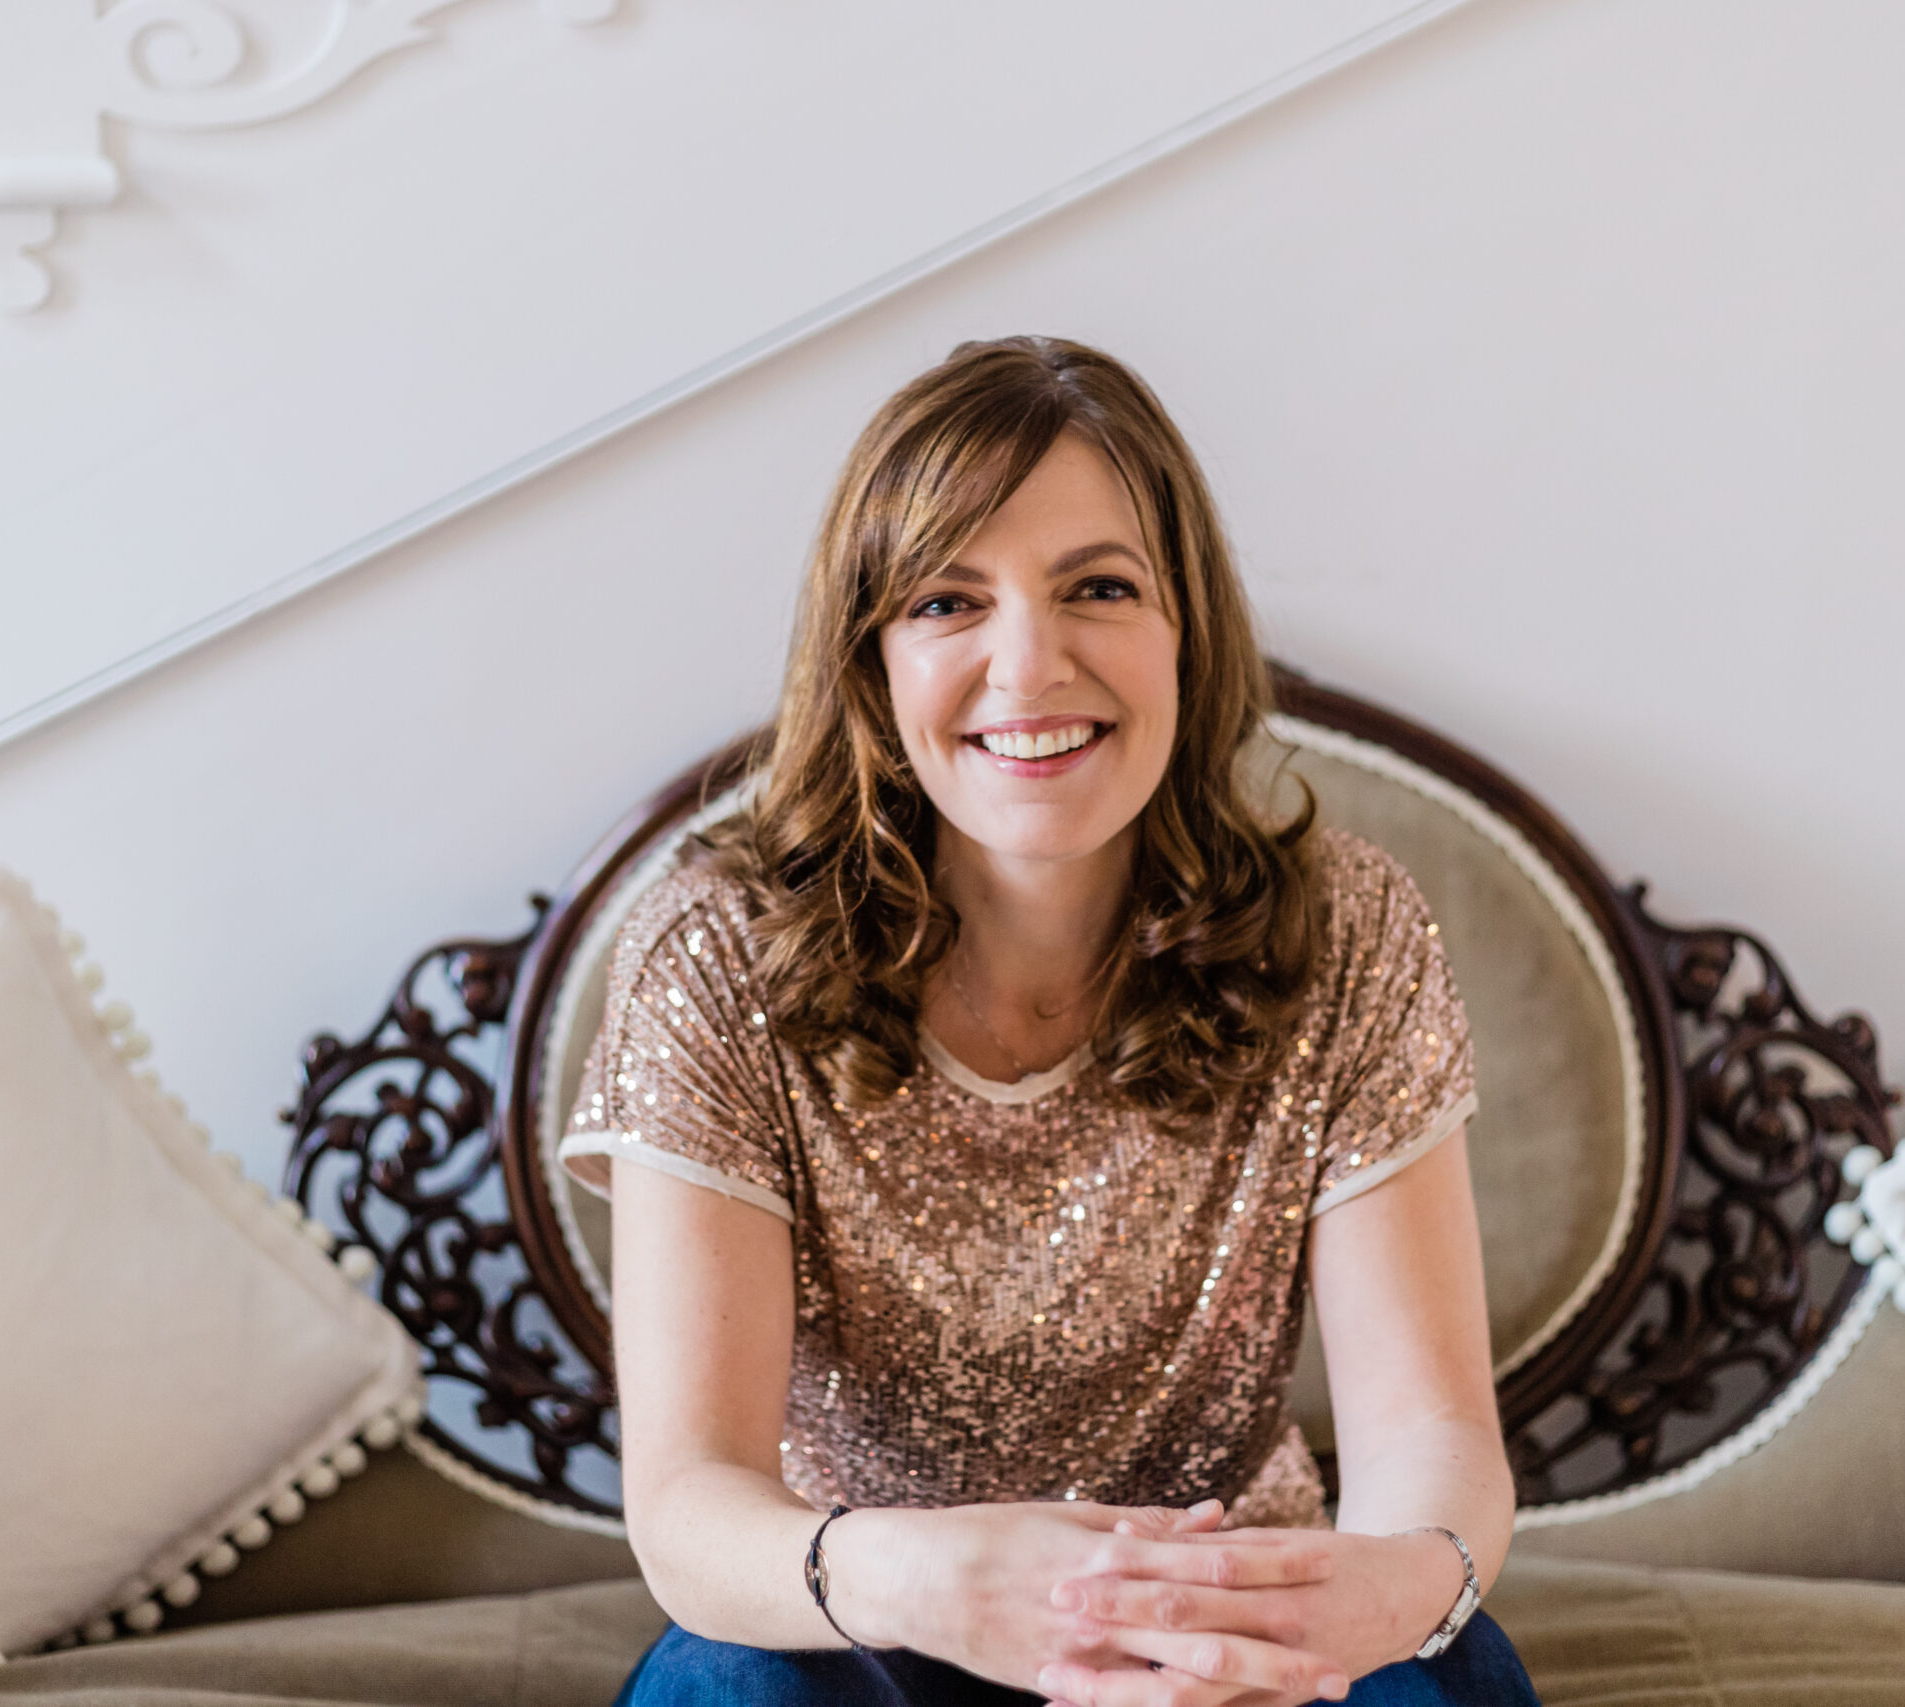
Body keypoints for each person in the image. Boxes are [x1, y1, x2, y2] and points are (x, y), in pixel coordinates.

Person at [559, 336, 1537, 1707]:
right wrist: (943, 1582)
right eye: (950, 601)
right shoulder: (715, 955)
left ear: (1187, 627)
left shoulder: (1345, 929)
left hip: (1227, 1625)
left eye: (1099, 587)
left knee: (1446, 1667)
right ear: (870, 662)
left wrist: (1385, 1587)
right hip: (871, 1622)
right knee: (732, 1684)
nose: (1031, 665)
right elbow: (688, 1505)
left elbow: (1431, 1435)